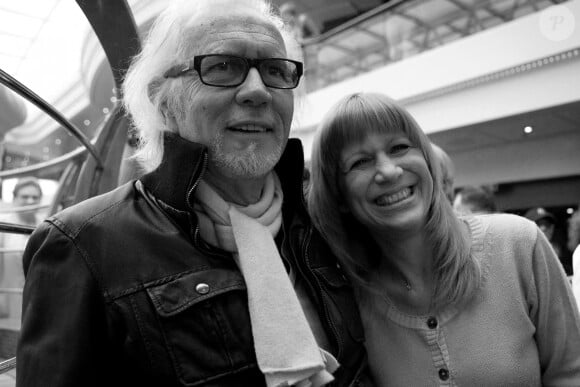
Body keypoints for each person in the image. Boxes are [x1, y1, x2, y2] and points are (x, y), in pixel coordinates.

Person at [16, 1, 368, 386]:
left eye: (274, 71)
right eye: (222, 66)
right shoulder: (83, 245)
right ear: (164, 102)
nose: (258, 91)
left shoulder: (324, 217)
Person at [308, 92, 580, 386]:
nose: (388, 171)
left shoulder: (518, 245)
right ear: (339, 197)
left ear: (427, 160)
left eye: (399, 147)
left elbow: (570, 373)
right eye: (360, 162)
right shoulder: (351, 304)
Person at [0, 177, 43, 319]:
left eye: (35, 197)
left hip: (37, 304)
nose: (30, 201)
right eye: (25, 196)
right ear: (14, 198)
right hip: (7, 301)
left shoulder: (45, 225)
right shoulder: (3, 225)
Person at [524, 206, 569, 273]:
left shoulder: (562, 255)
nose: (543, 228)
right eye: (537, 224)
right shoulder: (520, 258)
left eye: (547, 224)